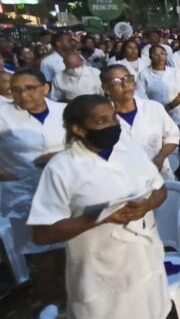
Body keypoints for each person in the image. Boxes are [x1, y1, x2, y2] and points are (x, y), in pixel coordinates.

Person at [28, 94, 170, 319]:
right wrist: (96, 218)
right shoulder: (62, 168)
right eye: (101, 121)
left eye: (113, 119)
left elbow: (160, 189)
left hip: (146, 262)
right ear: (79, 129)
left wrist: (146, 206)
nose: (112, 126)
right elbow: (42, 233)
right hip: (101, 276)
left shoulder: (130, 151)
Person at [0, 69, 67, 307]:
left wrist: (60, 155)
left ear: (45, 88)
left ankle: (71, 299)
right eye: (16, 90)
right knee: (41, 253)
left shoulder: (64, 112)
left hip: (64, 190)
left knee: (68, 247)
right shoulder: (3, 116)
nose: (23, 94)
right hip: (24, 192)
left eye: (29, 88)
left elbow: (83, 141)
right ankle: (51, 302)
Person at [101, 65, 180, 181]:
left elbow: (172, 137)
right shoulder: (102, 117)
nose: (125, 85)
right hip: (122, 180)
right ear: (106, 89)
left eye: (127, 79)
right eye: (117, 81)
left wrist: (160, 157)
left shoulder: (154, 108)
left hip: (158, 175)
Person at [136, 45, 180, 127]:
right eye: (156, 54)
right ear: (150, 57)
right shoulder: (144, 74)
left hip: (176, 115)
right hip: (154, 114)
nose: (160, 57)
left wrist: (168, 107)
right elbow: (141, 96)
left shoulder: (174, 72)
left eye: (163, 53)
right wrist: (156, 109)